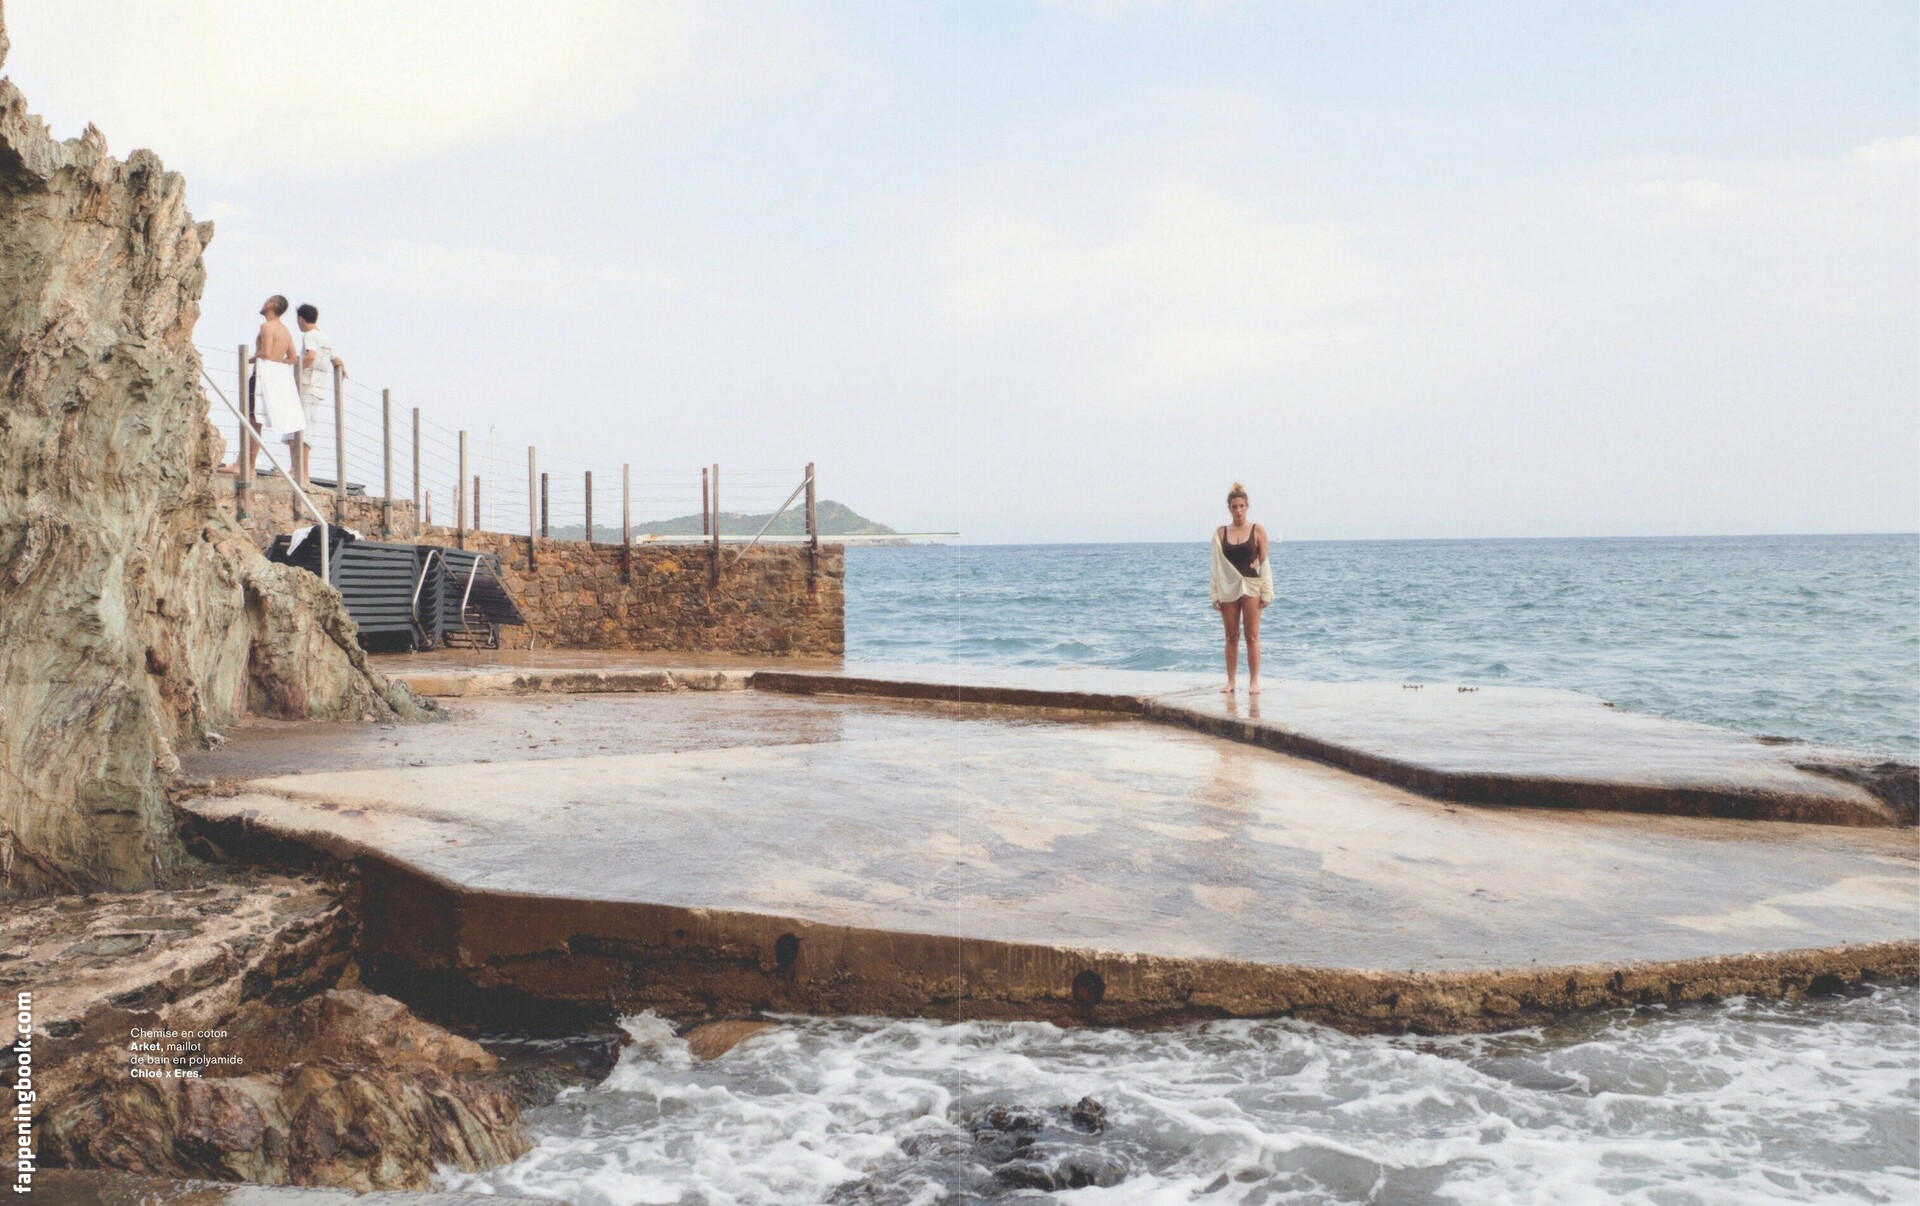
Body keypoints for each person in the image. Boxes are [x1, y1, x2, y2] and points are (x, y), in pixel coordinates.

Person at [1209, 481, 1276, 695]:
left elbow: (1264, 562)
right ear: (1229, 508)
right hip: (1228, 588)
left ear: (1247, 507)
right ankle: (1230, 681)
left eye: (1241, 506)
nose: (1238, 510)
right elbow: (1216, 566)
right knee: (1231, 636)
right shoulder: (1220, 533)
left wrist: (1267, 591)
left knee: (1252, 636)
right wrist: (1214, 593)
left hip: (1252, 586)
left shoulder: (1257, 530)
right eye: (1234, 506)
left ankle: (1254, 681)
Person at [234, 294, 304, 477]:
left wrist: (246, 360)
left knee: (251, 421)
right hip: (272, 380)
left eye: (266, 301)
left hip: (260, 376)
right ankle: (247, 464)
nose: (263, 303)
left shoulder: (267, 327)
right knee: (256, 422)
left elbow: (265, 353)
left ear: (271, 304)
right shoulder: (285, 331)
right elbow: (292, 358)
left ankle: (246, 466)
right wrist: (277, 365)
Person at [293, 303, 346, 487]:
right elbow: (336, 360)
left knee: (301, 426)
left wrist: (296, 369)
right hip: (318, 387)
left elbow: (310, 356)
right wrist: (342, 369)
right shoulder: (324, 336)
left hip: (306, 384)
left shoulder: (308, 336)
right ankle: (299, 471)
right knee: (307, 425)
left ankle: (301, 472)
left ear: (301, 318)